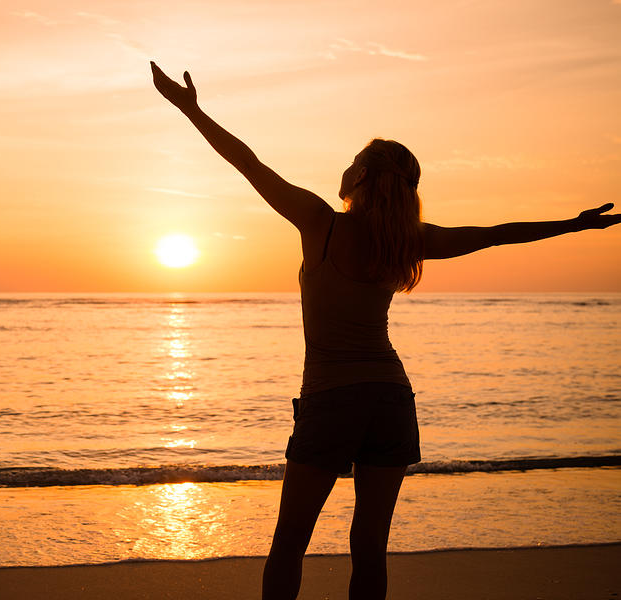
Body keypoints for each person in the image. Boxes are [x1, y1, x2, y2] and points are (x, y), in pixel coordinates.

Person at [150, 61, 620, 600]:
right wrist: (574, 224)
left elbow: (248, 164)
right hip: (391, 399)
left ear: (362, 178)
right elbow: (495, 234)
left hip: (332, 398)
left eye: (353, 162)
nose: (345, 167)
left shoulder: (320, 221)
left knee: (290, 542)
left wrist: (191, 110)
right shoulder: (410, 239)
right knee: (370, 544)